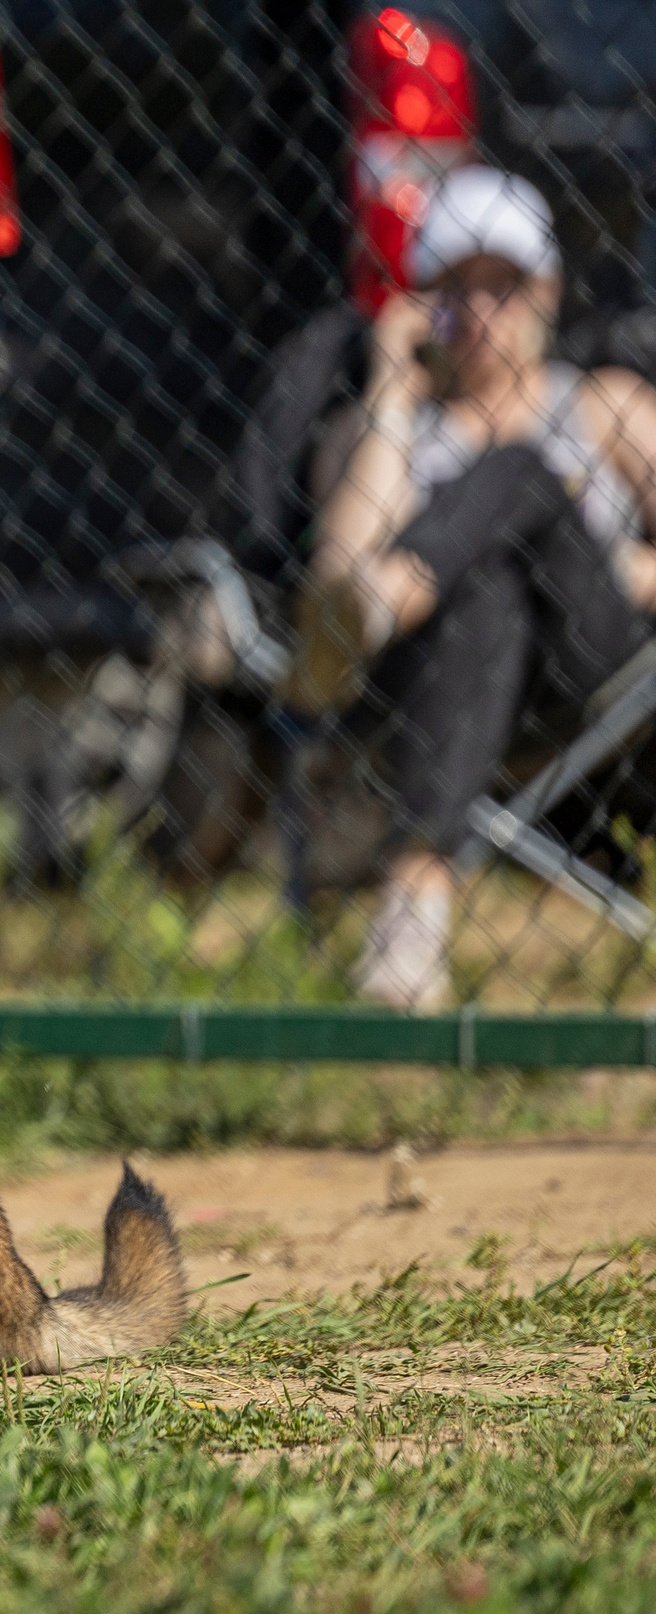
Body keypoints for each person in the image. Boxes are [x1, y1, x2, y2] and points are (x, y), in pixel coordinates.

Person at [288, 165, 656, 1011]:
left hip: (592, 660)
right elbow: (335, 567)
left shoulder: (602, 404)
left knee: (524, 471)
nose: (484, 315)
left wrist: (622, 564)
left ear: (549, 291)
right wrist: (390, 384)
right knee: (483, 589)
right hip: (446, 679)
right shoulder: (379, 428)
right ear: (423, 304)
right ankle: (415, 914)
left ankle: (396, 595)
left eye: (506, 288)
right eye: (458, 290)